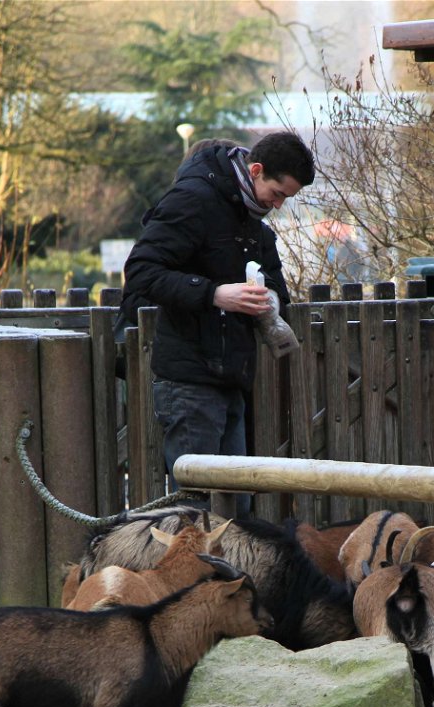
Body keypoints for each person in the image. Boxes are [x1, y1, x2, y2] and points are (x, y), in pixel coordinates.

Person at [120, 131, 315, 499]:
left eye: (285, 199)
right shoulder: (193, 200)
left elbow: (275, 282)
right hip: (189, 380)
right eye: (277, 194)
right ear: (256, 170)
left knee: (234, 509)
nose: (277, 205)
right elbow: (142, 271)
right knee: (198, 509)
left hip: (231, 380)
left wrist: (269, 301)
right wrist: (214, 294)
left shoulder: (250, 217)